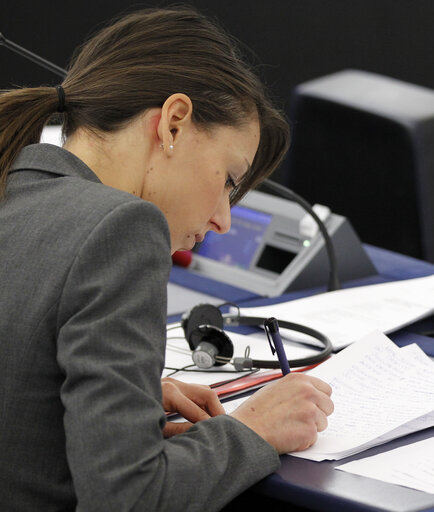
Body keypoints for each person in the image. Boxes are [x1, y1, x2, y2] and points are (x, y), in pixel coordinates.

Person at [0, 6, 334, 511]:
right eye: (228, 180)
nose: (224, 219)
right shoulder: (121, 228)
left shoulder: (14, 188)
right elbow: (131, 498)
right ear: (174, 123)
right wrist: (252, 430)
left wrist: (120, 403)